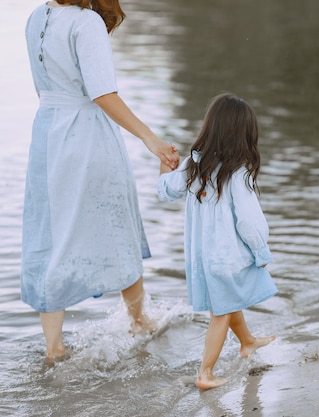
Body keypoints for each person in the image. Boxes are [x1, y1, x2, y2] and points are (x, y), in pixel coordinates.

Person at [22, 0, 180, 362]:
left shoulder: (35, 18)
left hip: (46, 135)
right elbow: (102, 94)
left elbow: (42, 90)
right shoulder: (86, 21)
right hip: (86, 135)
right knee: (117, 223)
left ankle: (53, 348)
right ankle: (139, 321)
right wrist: (150, 139)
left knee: (48, 236)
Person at [158, 93, 278, 390]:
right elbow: (249, 221)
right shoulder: (236, 173)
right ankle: (205, 373)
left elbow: (166, 191)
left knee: (227, 301)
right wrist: (260, 250)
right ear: (242, 135)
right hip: (227, 257)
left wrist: (165, 165)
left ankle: (247, 342)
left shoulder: (191, 165)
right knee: (221, 313)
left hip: (201, 257)